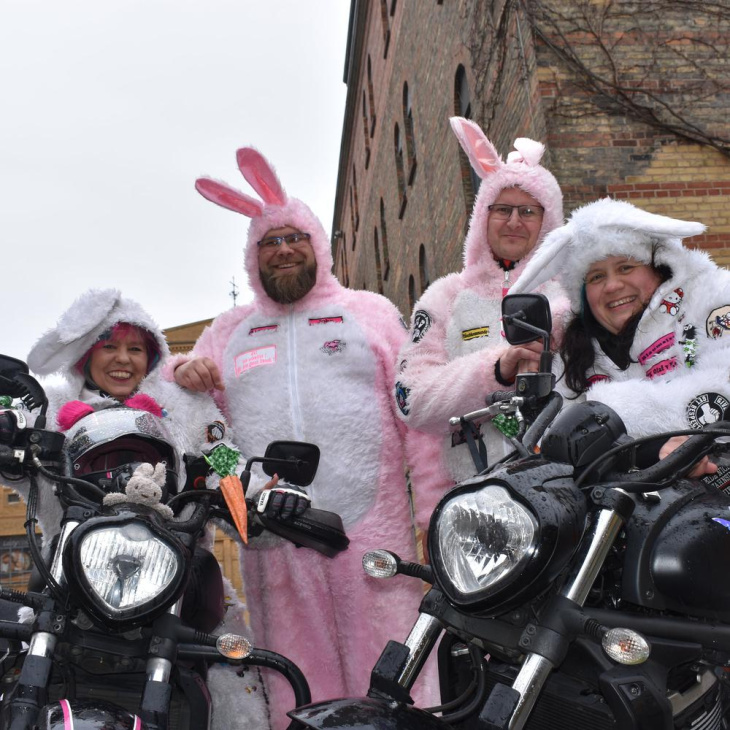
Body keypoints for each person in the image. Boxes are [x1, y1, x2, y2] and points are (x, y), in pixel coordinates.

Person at [166, 147, 428, 725]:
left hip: (372, 536)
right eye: (269, 243)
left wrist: (431, 512)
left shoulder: (370, 313)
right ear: (251, 257)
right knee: (295, 679)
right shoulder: (230, 331)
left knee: (395, 678)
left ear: (318, 246)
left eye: (295, 238)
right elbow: (195, 412)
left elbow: (417, 415)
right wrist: (184, 372)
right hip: (272, 538)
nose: (283, 250)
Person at [19, 288, 270, 730]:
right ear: (85, 354)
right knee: (18, 644)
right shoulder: (53, 405)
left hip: (175, 573)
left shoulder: (187, 406)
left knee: (232, 664)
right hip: (69, 575)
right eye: (109, 346)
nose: (123, 359)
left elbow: (222, 453)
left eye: (136, 348)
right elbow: (20, 457)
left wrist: (261, 492)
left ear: (152, 354)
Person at [394, 117, 567, 532]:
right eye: (502, 209)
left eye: (529, 210)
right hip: (475, 501)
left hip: (570, 486)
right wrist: (496, 368)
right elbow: (410, 398)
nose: (514, 221)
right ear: (481, 216)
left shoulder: (575, 290)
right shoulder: (445, 296)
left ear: (548, 219)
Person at [510, 197, 726, 479]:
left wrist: (604, 411)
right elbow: (550, 442)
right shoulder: (575, 351)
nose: (612, 286)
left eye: (626, 267)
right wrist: (643, 452)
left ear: (657, 266)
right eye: (597, 277)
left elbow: (720, 390)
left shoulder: (714, 296)